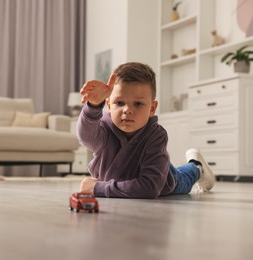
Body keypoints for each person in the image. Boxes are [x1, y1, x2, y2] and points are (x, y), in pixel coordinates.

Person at [77, 62, 215, 199]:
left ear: (152, 108)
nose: (127, 110)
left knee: (183, 178)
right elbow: (86, 136)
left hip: (164, 180)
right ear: (109, 104)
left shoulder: (156, 135)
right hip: (134, 176)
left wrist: (97, 188)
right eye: (119, 103)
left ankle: (197, 166)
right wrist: (93, 107)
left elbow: (150, 187)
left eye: (138, 104)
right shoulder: (104, 130)